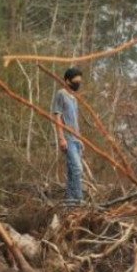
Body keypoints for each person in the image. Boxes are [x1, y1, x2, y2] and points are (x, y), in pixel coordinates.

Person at [51, 67, 84, 204]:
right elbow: (57, 117)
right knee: (77, 169)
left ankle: (70, 202)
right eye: (75, 81)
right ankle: (79, 200)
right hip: (68, 138)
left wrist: (81, 140)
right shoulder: (61, 94)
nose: (78, 84)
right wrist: (61, 138)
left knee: (72, 171)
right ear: (67, 80)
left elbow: (75, 120)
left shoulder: (74, 98)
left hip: (76, 139)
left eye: (79, 81)